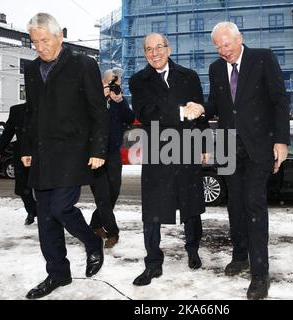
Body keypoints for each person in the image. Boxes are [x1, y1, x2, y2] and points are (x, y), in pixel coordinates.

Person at [187, 22, 290, 300]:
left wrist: (281, 140)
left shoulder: (263, 58)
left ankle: (260, 273)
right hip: (230, 148)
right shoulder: (216, 68)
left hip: (259, 146)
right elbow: (217, 106)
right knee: (234, 204)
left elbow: (280, 100)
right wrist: (200, 109)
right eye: (218, 46)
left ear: (239, 38)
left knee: (254, 204)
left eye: (227, 44)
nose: (223, 51)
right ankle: (240, 255)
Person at [20, 13, 109, 299]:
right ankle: (58, 273)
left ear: (60, 36)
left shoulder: (83, 65)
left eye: (44, 40)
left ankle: (93, 243)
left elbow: (98, 111)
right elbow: (31, 112)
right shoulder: (32, 69)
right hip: (43, 154)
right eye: (35, 42)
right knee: (45, 220)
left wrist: (98, 149)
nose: (40, 47)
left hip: (73, 151)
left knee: (60, 208)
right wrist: (25, 148)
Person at [128, 33, 209, 286]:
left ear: (169, 48)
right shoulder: (138, 81)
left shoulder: (189, 76)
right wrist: (180, 112)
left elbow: (200, 114)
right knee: (152, 209)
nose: (154, 53)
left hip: (187, 147)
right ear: (144, 53)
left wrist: (204, 144)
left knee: (191, 204)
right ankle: (153, 263)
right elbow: (146, 112)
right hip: (157, 151)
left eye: (159, 47)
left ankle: (193, 248)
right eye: (149, 49)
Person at [90, 68, 135, 248]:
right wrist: (101, 97)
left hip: (113, 153)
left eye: (118, 83)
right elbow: (86, 117)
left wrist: (121, 100)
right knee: (102, 195)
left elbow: (130, 118)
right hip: (95, 153)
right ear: (103, 82)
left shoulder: (118, 100)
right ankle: (113, 232)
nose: (116, 86)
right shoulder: (93, 97)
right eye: (112, 83)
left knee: (112, 193)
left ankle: (95, 224)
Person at [0, 103, 37, 226]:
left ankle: (44, 214)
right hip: (21, 153)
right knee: (22, 188)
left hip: (42, 154)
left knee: (42, 187)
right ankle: (32, 211)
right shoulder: (16, 110)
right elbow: (8, 131)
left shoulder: (48, 106)